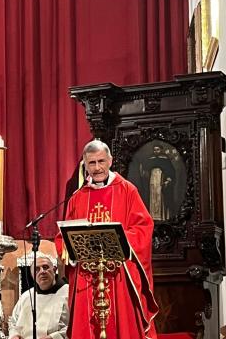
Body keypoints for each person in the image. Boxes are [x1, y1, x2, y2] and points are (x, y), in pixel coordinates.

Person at [55, 140, 159, 339]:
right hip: (87, 275)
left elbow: (143, 227)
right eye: (91, 163)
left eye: (101, 161)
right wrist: (71, 251)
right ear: (85, 165)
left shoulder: (127, 190)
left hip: (118, 273)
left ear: (110, 161)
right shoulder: (77, 198)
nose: (97, 168)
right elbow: (63, 238)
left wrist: (119, 238)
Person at [8, 253, 68, 339]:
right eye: (37, 269)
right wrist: (14, 335)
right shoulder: (26, 296)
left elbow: (76, 325)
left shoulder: (68, 293)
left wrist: (53, 337)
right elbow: (13, 323)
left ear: (54, 270)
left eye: (45, 267)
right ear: (32, 276)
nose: (42, 271)